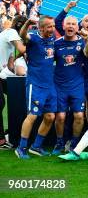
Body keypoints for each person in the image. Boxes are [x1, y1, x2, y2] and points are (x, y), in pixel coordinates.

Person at [52, 16, 88, 154]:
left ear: (77, 28)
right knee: (61, 117)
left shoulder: (83, 42)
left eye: (73, 24)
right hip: (59, 85)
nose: (70, 26)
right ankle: (59, 142)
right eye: (68, 24)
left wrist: (87, 39)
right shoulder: (56, 43)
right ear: (63, 27)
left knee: (79, 116)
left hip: (77, 85)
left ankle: (74, 142)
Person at [15, 16, 56, 159]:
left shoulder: (52, 39)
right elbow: (22, 35)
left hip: (50, 85)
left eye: (53, 26)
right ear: (41, 28)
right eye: (49, 27)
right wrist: (27, 23)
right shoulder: (33, 37)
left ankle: (36, 146)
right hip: (36, 84)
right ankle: (21, 148)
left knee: (50, 117)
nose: (52, 29)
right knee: (32, 116)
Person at [0, 15, 27, 148]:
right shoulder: (12, 32)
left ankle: (11, 132)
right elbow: (22, 49)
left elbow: (11, 66)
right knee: (0, 103)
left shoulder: (9, 37)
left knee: (16, 96)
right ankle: (1, 140)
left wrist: (25, 73)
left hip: (1, 75)